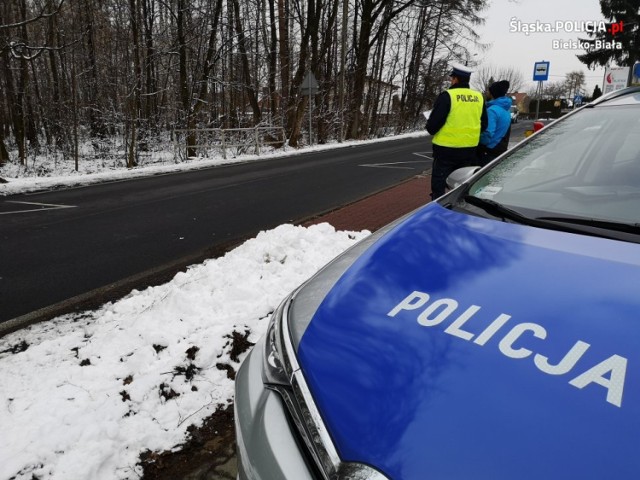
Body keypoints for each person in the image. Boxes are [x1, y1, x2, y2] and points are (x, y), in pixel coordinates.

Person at [426, 63, 487, 199]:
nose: (451, 81)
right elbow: (484, 124)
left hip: (445, 150)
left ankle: (438, 209)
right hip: (469, 150)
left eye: (452, 78)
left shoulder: (447, 96)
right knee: (462, 183)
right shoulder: (478, 97)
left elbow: (432, 126)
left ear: (455, 79)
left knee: (439, 185)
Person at [477, 80, 513, 167]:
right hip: (500, 150)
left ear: (493, 93)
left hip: (489, 152)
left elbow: (488, 134)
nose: (487, 92)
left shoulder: (492, 110)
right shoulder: (506, 109)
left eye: (489, 91)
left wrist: (478, 143)